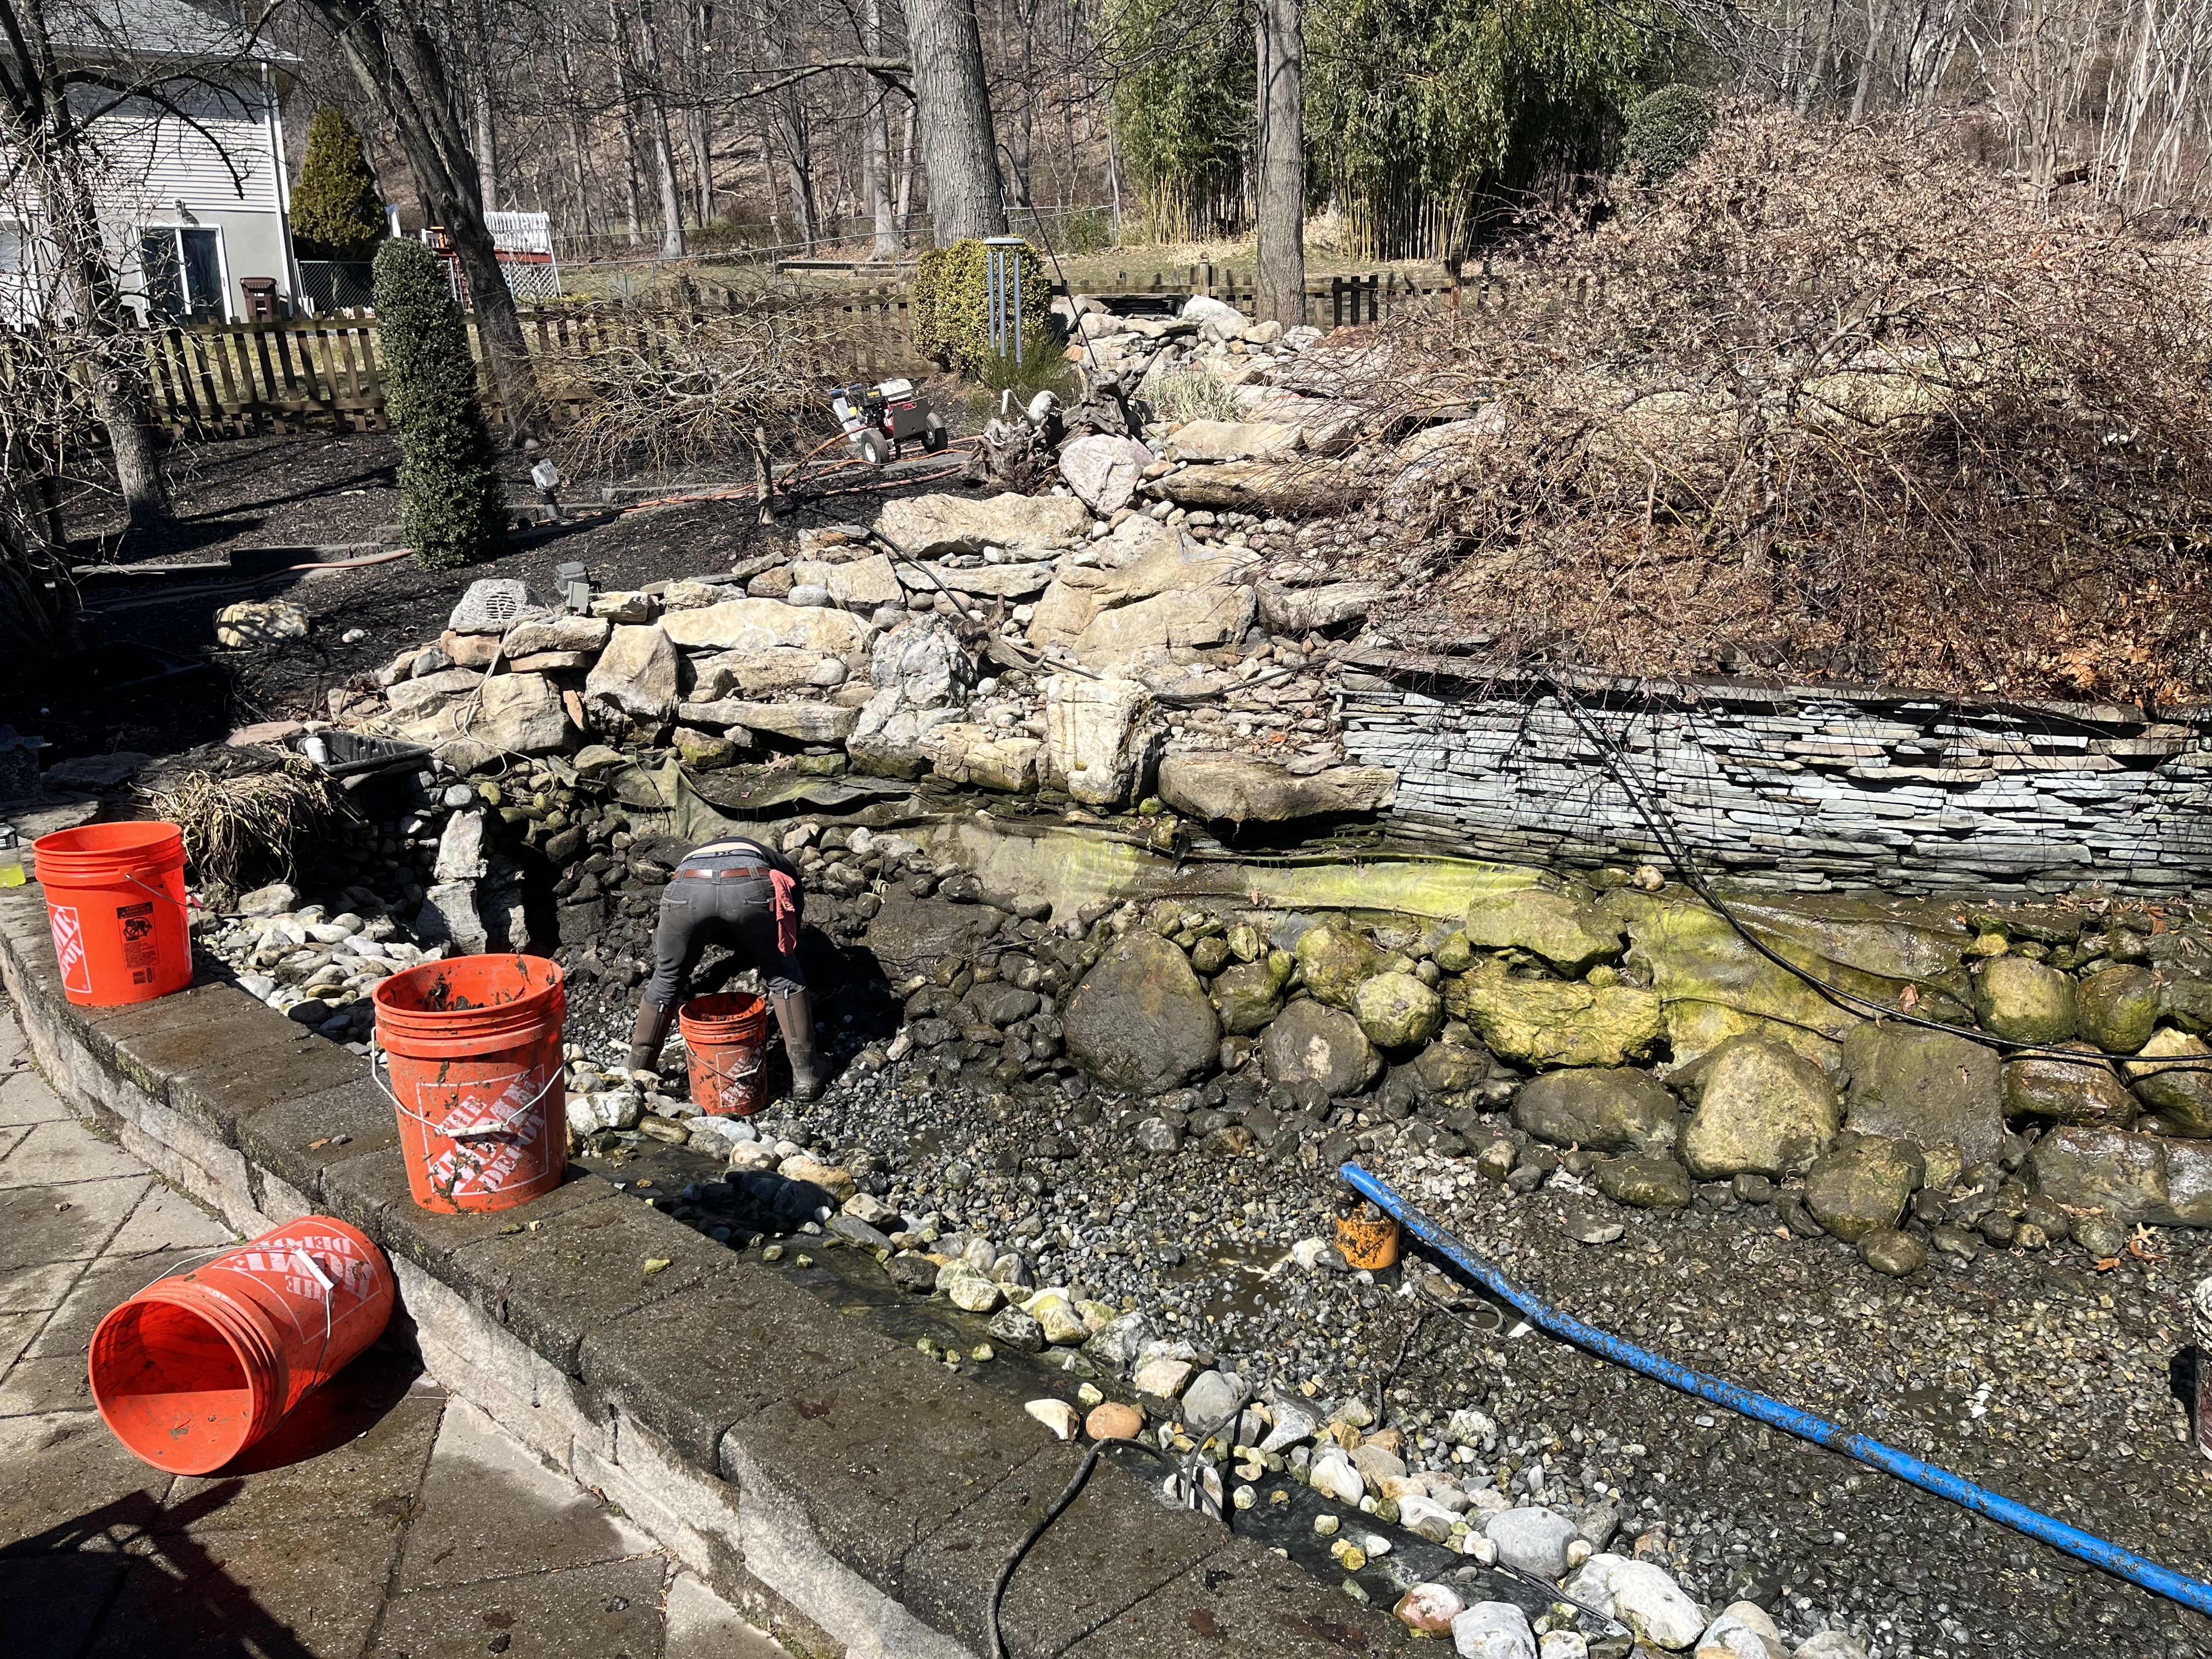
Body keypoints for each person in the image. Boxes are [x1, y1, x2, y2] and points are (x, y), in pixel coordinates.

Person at [628, 833, 827, 1101]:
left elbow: (712, 918)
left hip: (687, 886)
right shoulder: (779, 863)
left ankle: (635, 1074)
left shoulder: (696, 854)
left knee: (666, 979)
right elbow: (790, 919)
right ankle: (806, 1077)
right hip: (751, 886)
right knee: (784, 975)